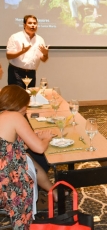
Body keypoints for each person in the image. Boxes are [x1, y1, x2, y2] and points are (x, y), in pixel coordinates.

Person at [0, 85, 53, 228]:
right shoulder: (14, 116)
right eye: (26, 105)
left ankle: (53, 191)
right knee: (28, 163)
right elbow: (40, 148)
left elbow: (9, 148)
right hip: (7, 183)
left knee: (28, 159)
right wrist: (46, 138)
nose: (26, 109)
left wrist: (33, 137)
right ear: (19, 103)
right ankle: (23, 223)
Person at [6, 15, 50, 88]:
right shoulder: (15, 37)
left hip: (31, 73)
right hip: (16, 72)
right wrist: (21, 52)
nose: (33, 25)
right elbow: (8, 55)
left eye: (35, 23)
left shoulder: (40, 39)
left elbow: (44, 59)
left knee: (30, 96)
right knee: (17, 97)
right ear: (24, 25)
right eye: (30, 23)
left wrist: (45, 54)